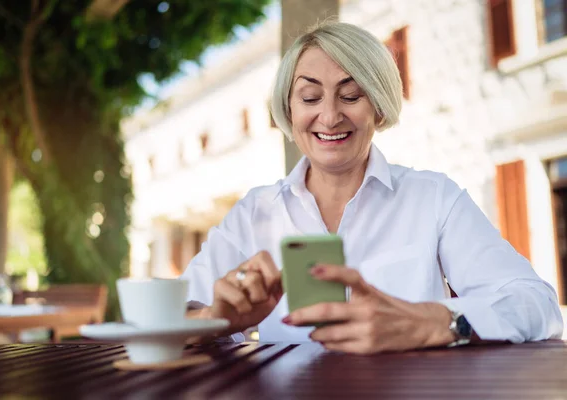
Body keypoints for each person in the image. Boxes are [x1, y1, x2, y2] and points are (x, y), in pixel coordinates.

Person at [181, 22, 563, 354]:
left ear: (379, 107)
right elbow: (172, 315)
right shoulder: (254, 212)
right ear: (290, 110)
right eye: (310, 97)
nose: (329, 116)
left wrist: (433, 322)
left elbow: (537, 305)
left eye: (351, 95)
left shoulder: (433, 198)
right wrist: (216, 320)